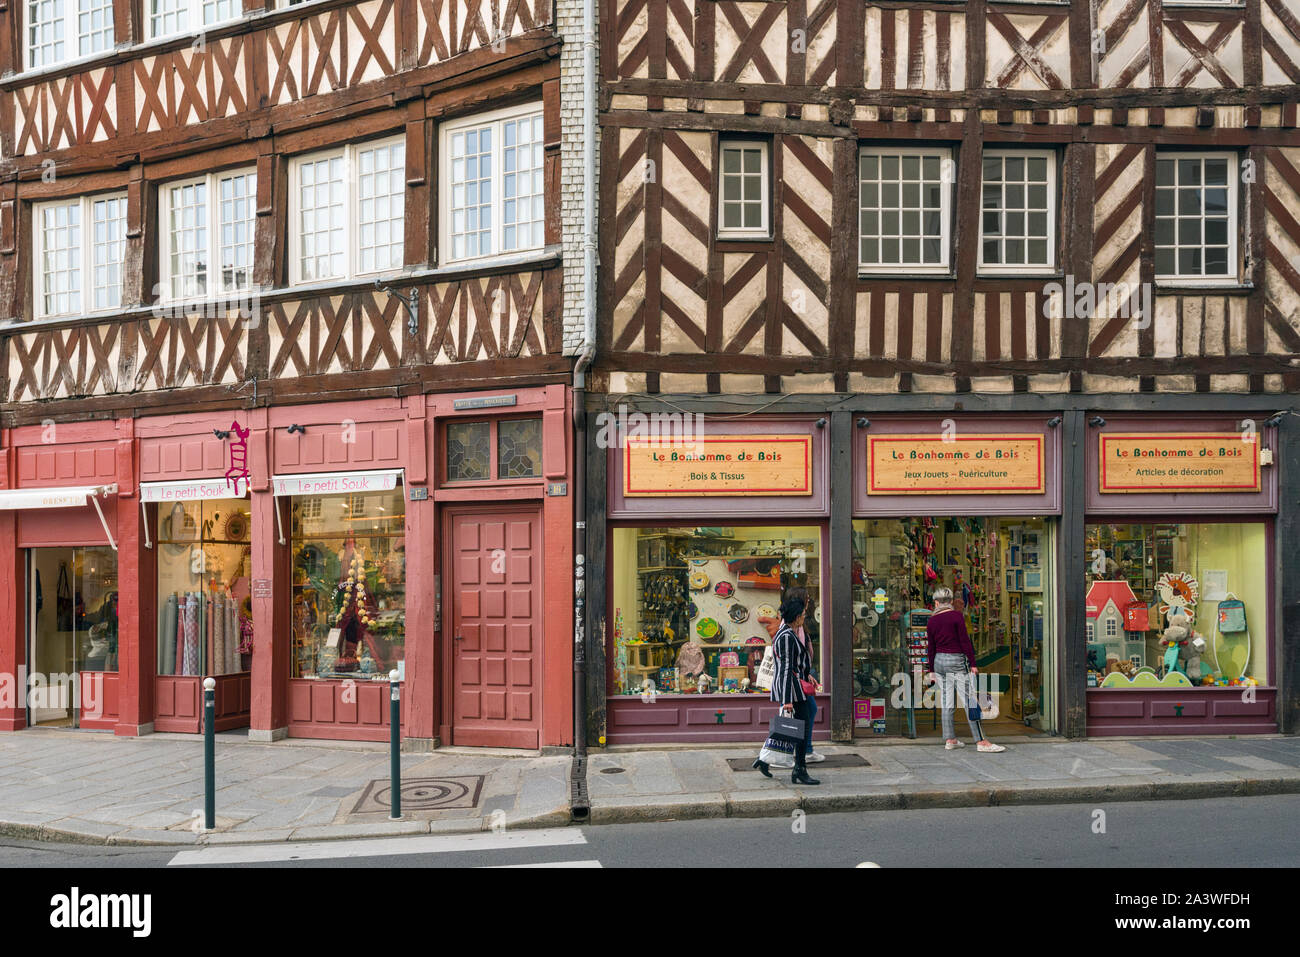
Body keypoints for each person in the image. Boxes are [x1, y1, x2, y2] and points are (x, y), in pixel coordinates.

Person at [926, 586, 1006, 753]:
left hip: (939, 661)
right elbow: (965, 641)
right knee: (970, 700)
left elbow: (931, 647)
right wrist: (973, 663)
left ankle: (950, 739)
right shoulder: (956, 616)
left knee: (947, 701)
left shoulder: (932, 620)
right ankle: (981, 741)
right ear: (950, 602)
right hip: (956, 661)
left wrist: (932, 669)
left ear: (937, 602)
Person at [752, 594, 820, 785]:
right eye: (803, 614)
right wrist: (787, 699)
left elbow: (794, 666)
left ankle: (767, 761)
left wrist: (807, 676)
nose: (804, 617)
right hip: (792, 691)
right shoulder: (787, 637)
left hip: (795, 687)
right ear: (796, 616)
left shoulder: (787, 633)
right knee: (800, 728)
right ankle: (799, 769)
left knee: (795, 728)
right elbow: (785, 669)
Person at [785, 586, 824, 763]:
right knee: (803, 714)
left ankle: (803, 752)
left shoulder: (799, 625)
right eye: (806, 599)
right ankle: (798, 753)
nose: (809, 603)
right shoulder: (790, 630)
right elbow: (790, 659)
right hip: (794, 679)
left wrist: (807, 673)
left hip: (800, 676)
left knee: (806, 713)